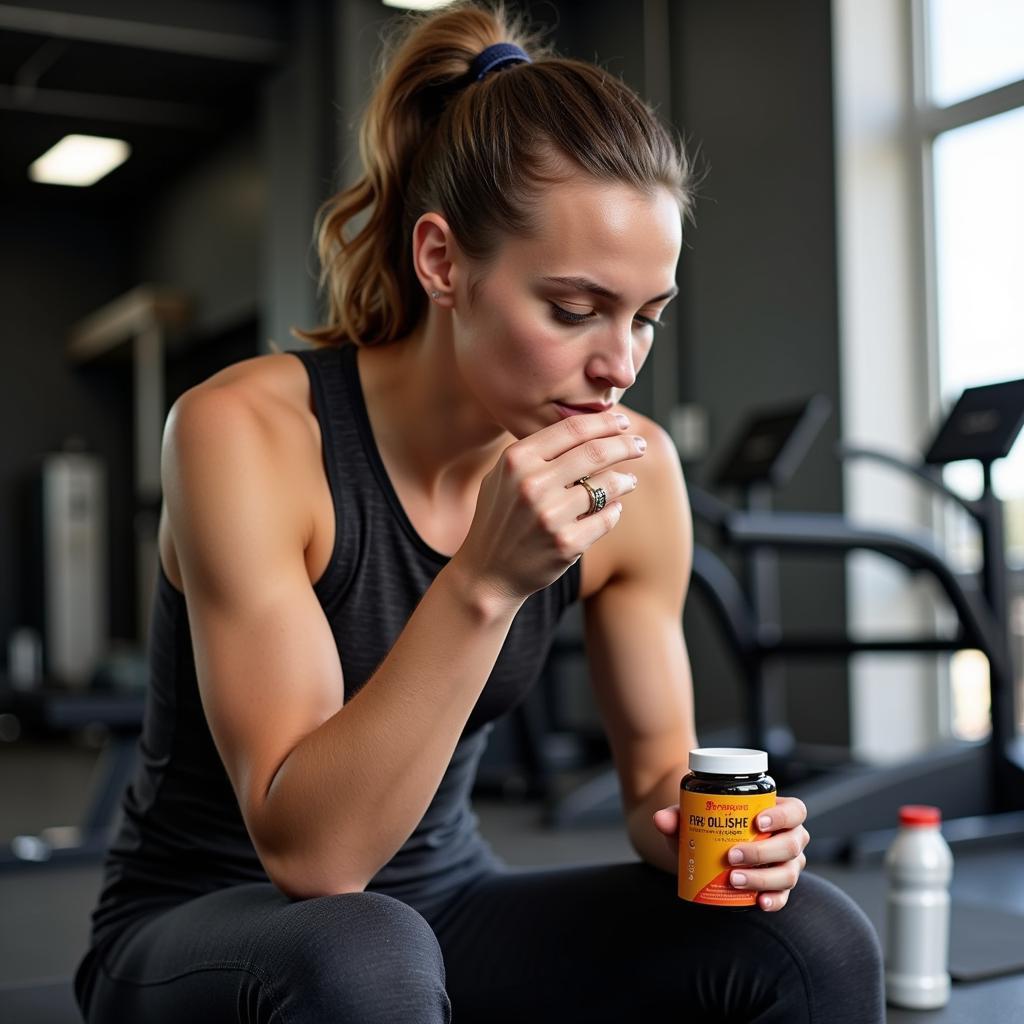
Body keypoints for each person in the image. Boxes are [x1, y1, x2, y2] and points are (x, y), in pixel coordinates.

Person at [73, 2, 884, 1021]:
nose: (619, 363)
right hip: (213, 926)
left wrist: (709, 834)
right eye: (574, 308)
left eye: (645, 316)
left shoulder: (635, 473)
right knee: (363, 951)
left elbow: (651, 786)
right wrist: (483, 582)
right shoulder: (244, 432)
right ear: (442, 261)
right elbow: (311, 857)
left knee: (810, 938)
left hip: (444, 911)